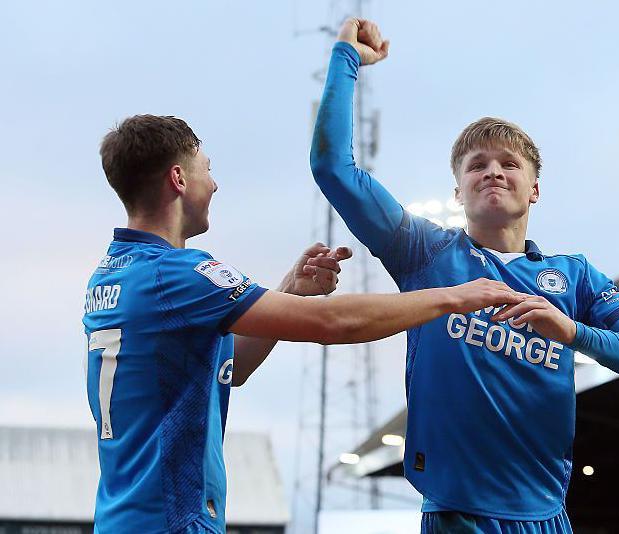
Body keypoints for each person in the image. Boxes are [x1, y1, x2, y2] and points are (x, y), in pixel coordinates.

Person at [310, 19, 619, 533]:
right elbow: (334, 169)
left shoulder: (573, 277)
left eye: (509, 163)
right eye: (476, 164)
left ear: (534, 190)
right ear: (459, 191)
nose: (493, 171)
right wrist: (346, 60)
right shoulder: (425, 252)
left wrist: (572, 331)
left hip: (546, 515)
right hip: (457, 513)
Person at [84, 114, 525, 533]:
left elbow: (229, 368)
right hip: (171, 519)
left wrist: (288, 291)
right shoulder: (179, 275)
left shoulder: (113, 273)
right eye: (207, 169)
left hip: (125, 514)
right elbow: (333, 323)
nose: (215, 184)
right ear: (179, 180)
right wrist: (454, 295)